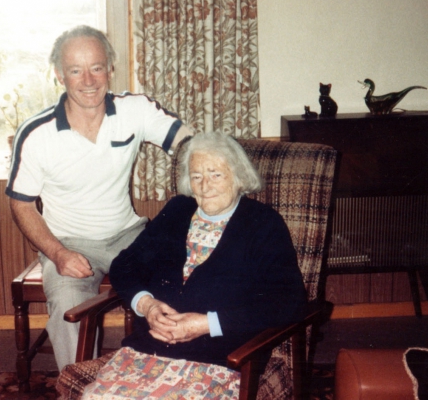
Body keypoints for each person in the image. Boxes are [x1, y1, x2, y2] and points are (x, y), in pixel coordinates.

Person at [5, 25, 193, 370]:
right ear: (60, 75)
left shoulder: (135, 110)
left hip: (129, 236)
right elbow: (21, 204)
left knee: (178, 288)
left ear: (110, 68)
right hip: (69, 243)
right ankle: (80, 388)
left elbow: (190, 145)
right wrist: (58, 253)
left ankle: (160, 379)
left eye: (97, 67)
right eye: (76, 70)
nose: (88, 80)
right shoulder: (36, 133)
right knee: (69, 311)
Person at [109, 131, 308, 365]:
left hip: (222, 357)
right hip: (149, 347)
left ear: (239, 177)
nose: (205, 186)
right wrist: (146, 305)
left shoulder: (263, 224)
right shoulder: (177, 211)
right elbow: (125, 265)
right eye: (196, 176)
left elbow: (288, 301)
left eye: (216, 175)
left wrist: (207, 324)